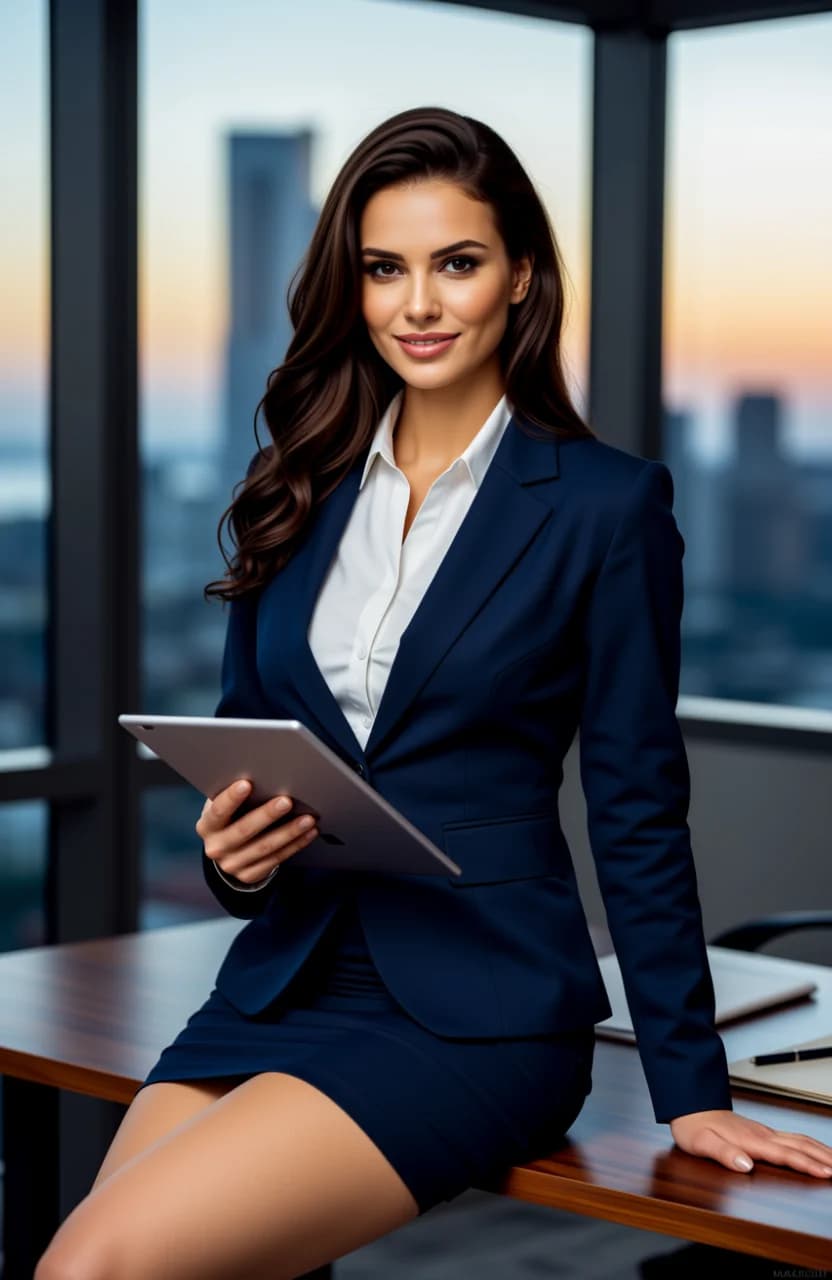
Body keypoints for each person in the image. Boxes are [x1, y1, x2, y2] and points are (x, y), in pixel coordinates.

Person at [36, 105, 832, 1280]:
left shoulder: (606, 506)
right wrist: (232, 857)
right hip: (282, 977)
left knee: (91, 1267)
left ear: (518, 276)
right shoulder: (292, 487)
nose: (417, 303)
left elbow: (633, 804)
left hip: (480, 1006)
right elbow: (250, 749)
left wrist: (689, 1088)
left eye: (455, 263)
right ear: (350, 289)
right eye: (383, 268)